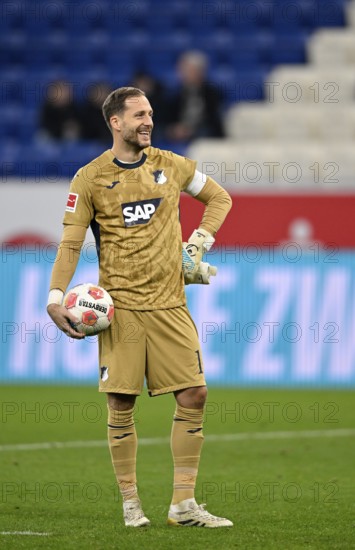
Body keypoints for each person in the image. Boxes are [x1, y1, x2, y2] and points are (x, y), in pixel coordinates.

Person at [46, 87, 233, 528]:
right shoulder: (89, 179)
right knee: (121, 405)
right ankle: (131, 505)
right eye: (139, 115)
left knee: (195, 394)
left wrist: (197, 245)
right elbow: (71, 243)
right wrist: (56, 298)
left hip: (170, 304)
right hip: (122, 310)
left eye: (150, 113)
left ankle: (183, 505)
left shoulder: (171, 164)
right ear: (116, 122)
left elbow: (219, 198)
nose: (149, 121)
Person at [167, 51, 225, 143]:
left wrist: (191, 130)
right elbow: (168, 116)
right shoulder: (175, 93)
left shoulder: (212, 93)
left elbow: (213, 120)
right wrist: (174, 128)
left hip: (202, 131)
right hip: (180, 130)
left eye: (188, 70)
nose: (183, 74)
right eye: (182, 70)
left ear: (200, 72)